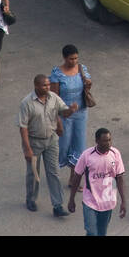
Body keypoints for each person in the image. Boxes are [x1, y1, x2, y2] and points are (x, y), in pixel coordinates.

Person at [20, 73, 75, 217]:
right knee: (34, 173)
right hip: (34, 142)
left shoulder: (53, 98)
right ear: (36, 86)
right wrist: (27, 149)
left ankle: (58, 205)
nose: (48, 87)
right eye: (44, 85)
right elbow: (23, 127)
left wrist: (71, 110)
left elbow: (63, 111)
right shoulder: (27, 103)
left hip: (51, 140)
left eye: (48, 84)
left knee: (54, 172)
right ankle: (31, 199)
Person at [67, 127, 126, 236]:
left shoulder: (115, 154)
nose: (108, 143)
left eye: (109, 140)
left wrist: (123, 201)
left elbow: (119, 177)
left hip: (108, 202)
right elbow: (77, 177)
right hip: (90, 201)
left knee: (102, 233)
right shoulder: (87, 155)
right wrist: (71, 199)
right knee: (92, 232)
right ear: (97, 141)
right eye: (104, 141)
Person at [50, 44, 92, 172]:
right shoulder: (57, 74)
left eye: (76, 58)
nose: (74, 61)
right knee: (64, 145)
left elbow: (87, 87)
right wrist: (57, 120)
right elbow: (54, 98)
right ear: (64, 58)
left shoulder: (82, 69)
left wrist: (88, 84)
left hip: (81, 113)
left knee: (79, 145)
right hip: (65, 115)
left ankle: (75, 177)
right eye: (71, 59)